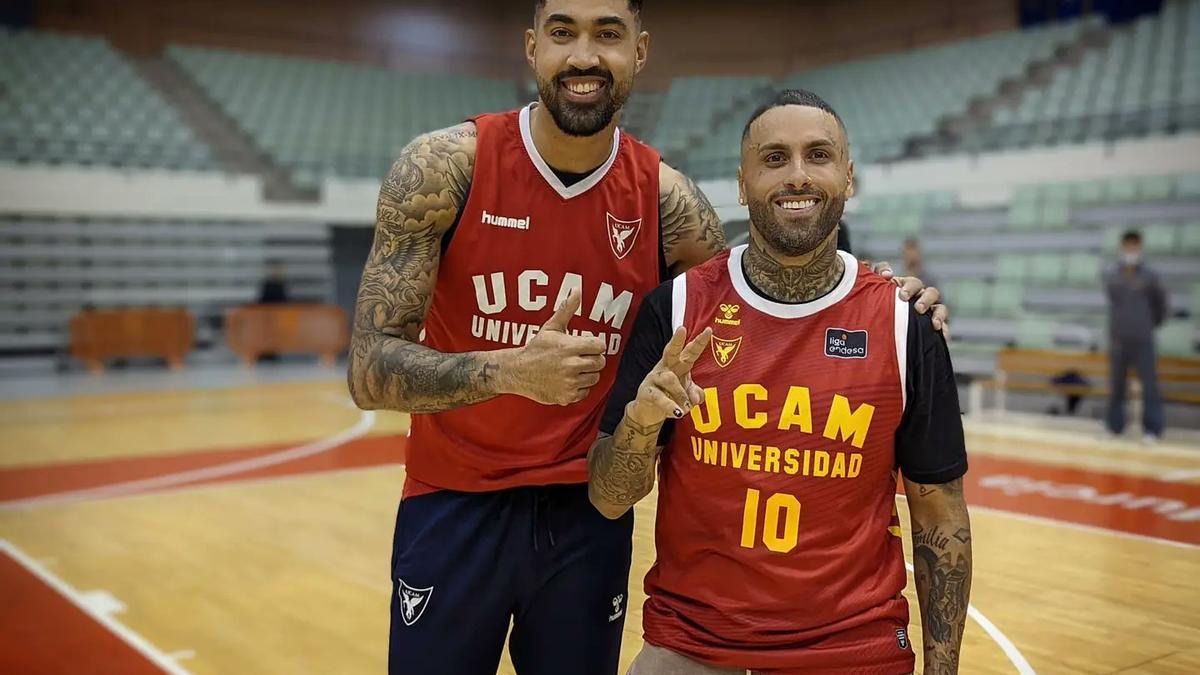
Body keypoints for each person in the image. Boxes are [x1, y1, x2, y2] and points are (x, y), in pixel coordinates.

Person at [347, 2, 947, 671]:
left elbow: (767, 296)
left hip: (589, 514)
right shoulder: (443, 167)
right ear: (530, 47)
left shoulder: (671, 205)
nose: (583, 55)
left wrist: (884, 296)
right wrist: (509, 371)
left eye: (607, 34)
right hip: (454, 501)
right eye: (562, 32)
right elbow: (370, 370)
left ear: (640, 51)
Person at [589, 89, 972, 674]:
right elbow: (609, 499)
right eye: (774, 159)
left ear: (848, 177)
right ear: (742, 183)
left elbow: (939, 516)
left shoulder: (904, 325)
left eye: (817, 156)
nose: (797, 176)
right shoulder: (676, 307)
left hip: (853, 648)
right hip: (690, 644)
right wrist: (640, 425)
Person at [1103, 229, 1168, 442]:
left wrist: (1148, 324)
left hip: (1142, 338)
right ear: (1122, 248)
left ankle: (1152, 429)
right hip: (1119, 338)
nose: (1131, 250)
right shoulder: (1112, 274)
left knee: (1149, 386)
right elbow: (1113, 301)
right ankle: (1114, 427)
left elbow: (1161, 306)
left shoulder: (1150, 275)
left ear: (1139, 247)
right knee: (1116, 386)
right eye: (1127, 246)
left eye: (1134, 246)